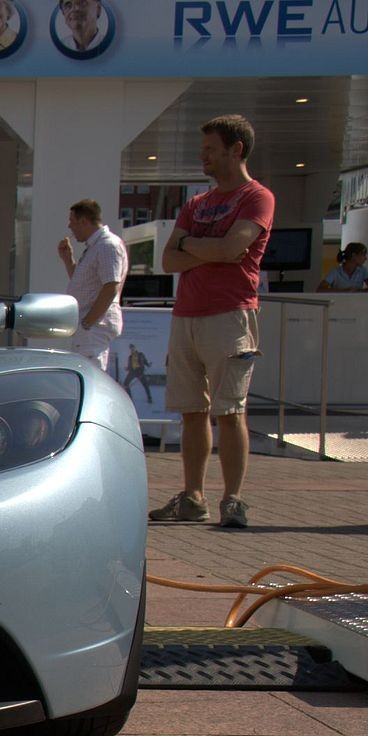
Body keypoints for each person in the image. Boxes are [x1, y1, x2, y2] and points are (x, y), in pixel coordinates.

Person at [153, 114, 275, 529]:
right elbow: (168, 259)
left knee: (230, 411)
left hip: (231, 314)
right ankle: (193, 495)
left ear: (235, 149)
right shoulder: (195, 204)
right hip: (186, 315)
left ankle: (233, 499)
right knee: (191, 411)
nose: (202, 156)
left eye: (210, 149)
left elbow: (234, 250)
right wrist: (210, 247)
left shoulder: (257, 198)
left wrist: (192, 244)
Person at [55, 198, 127, 371]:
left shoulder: (107, 245)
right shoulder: (96, 246)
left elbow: (111, 286)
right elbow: (85, 284)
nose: (70, 227)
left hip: (94, 326)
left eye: (72, 222)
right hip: (89, 325)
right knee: (83, 372)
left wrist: (88, 322)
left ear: (84, 221)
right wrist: (68, 260)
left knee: (90, 374)